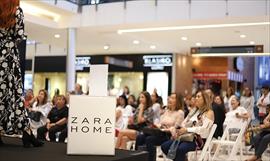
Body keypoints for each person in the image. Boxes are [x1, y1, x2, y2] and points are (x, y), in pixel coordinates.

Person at [0, 0, 43, 147]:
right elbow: (18, 35)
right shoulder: (16, 11)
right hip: (8, 58)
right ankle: (26, 133)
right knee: (14, 95)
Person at [161, 90, 214, 161]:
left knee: (180, 149)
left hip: (198, 140)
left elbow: (204, 130)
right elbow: (184, 123)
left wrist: (187, 129)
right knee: (165, 146)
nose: (196, 98)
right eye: (196, 97)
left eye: (198, 97)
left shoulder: (209, 112)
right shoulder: (194, 111)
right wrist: (179, 130)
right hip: (185, 137)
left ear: (205, 99)